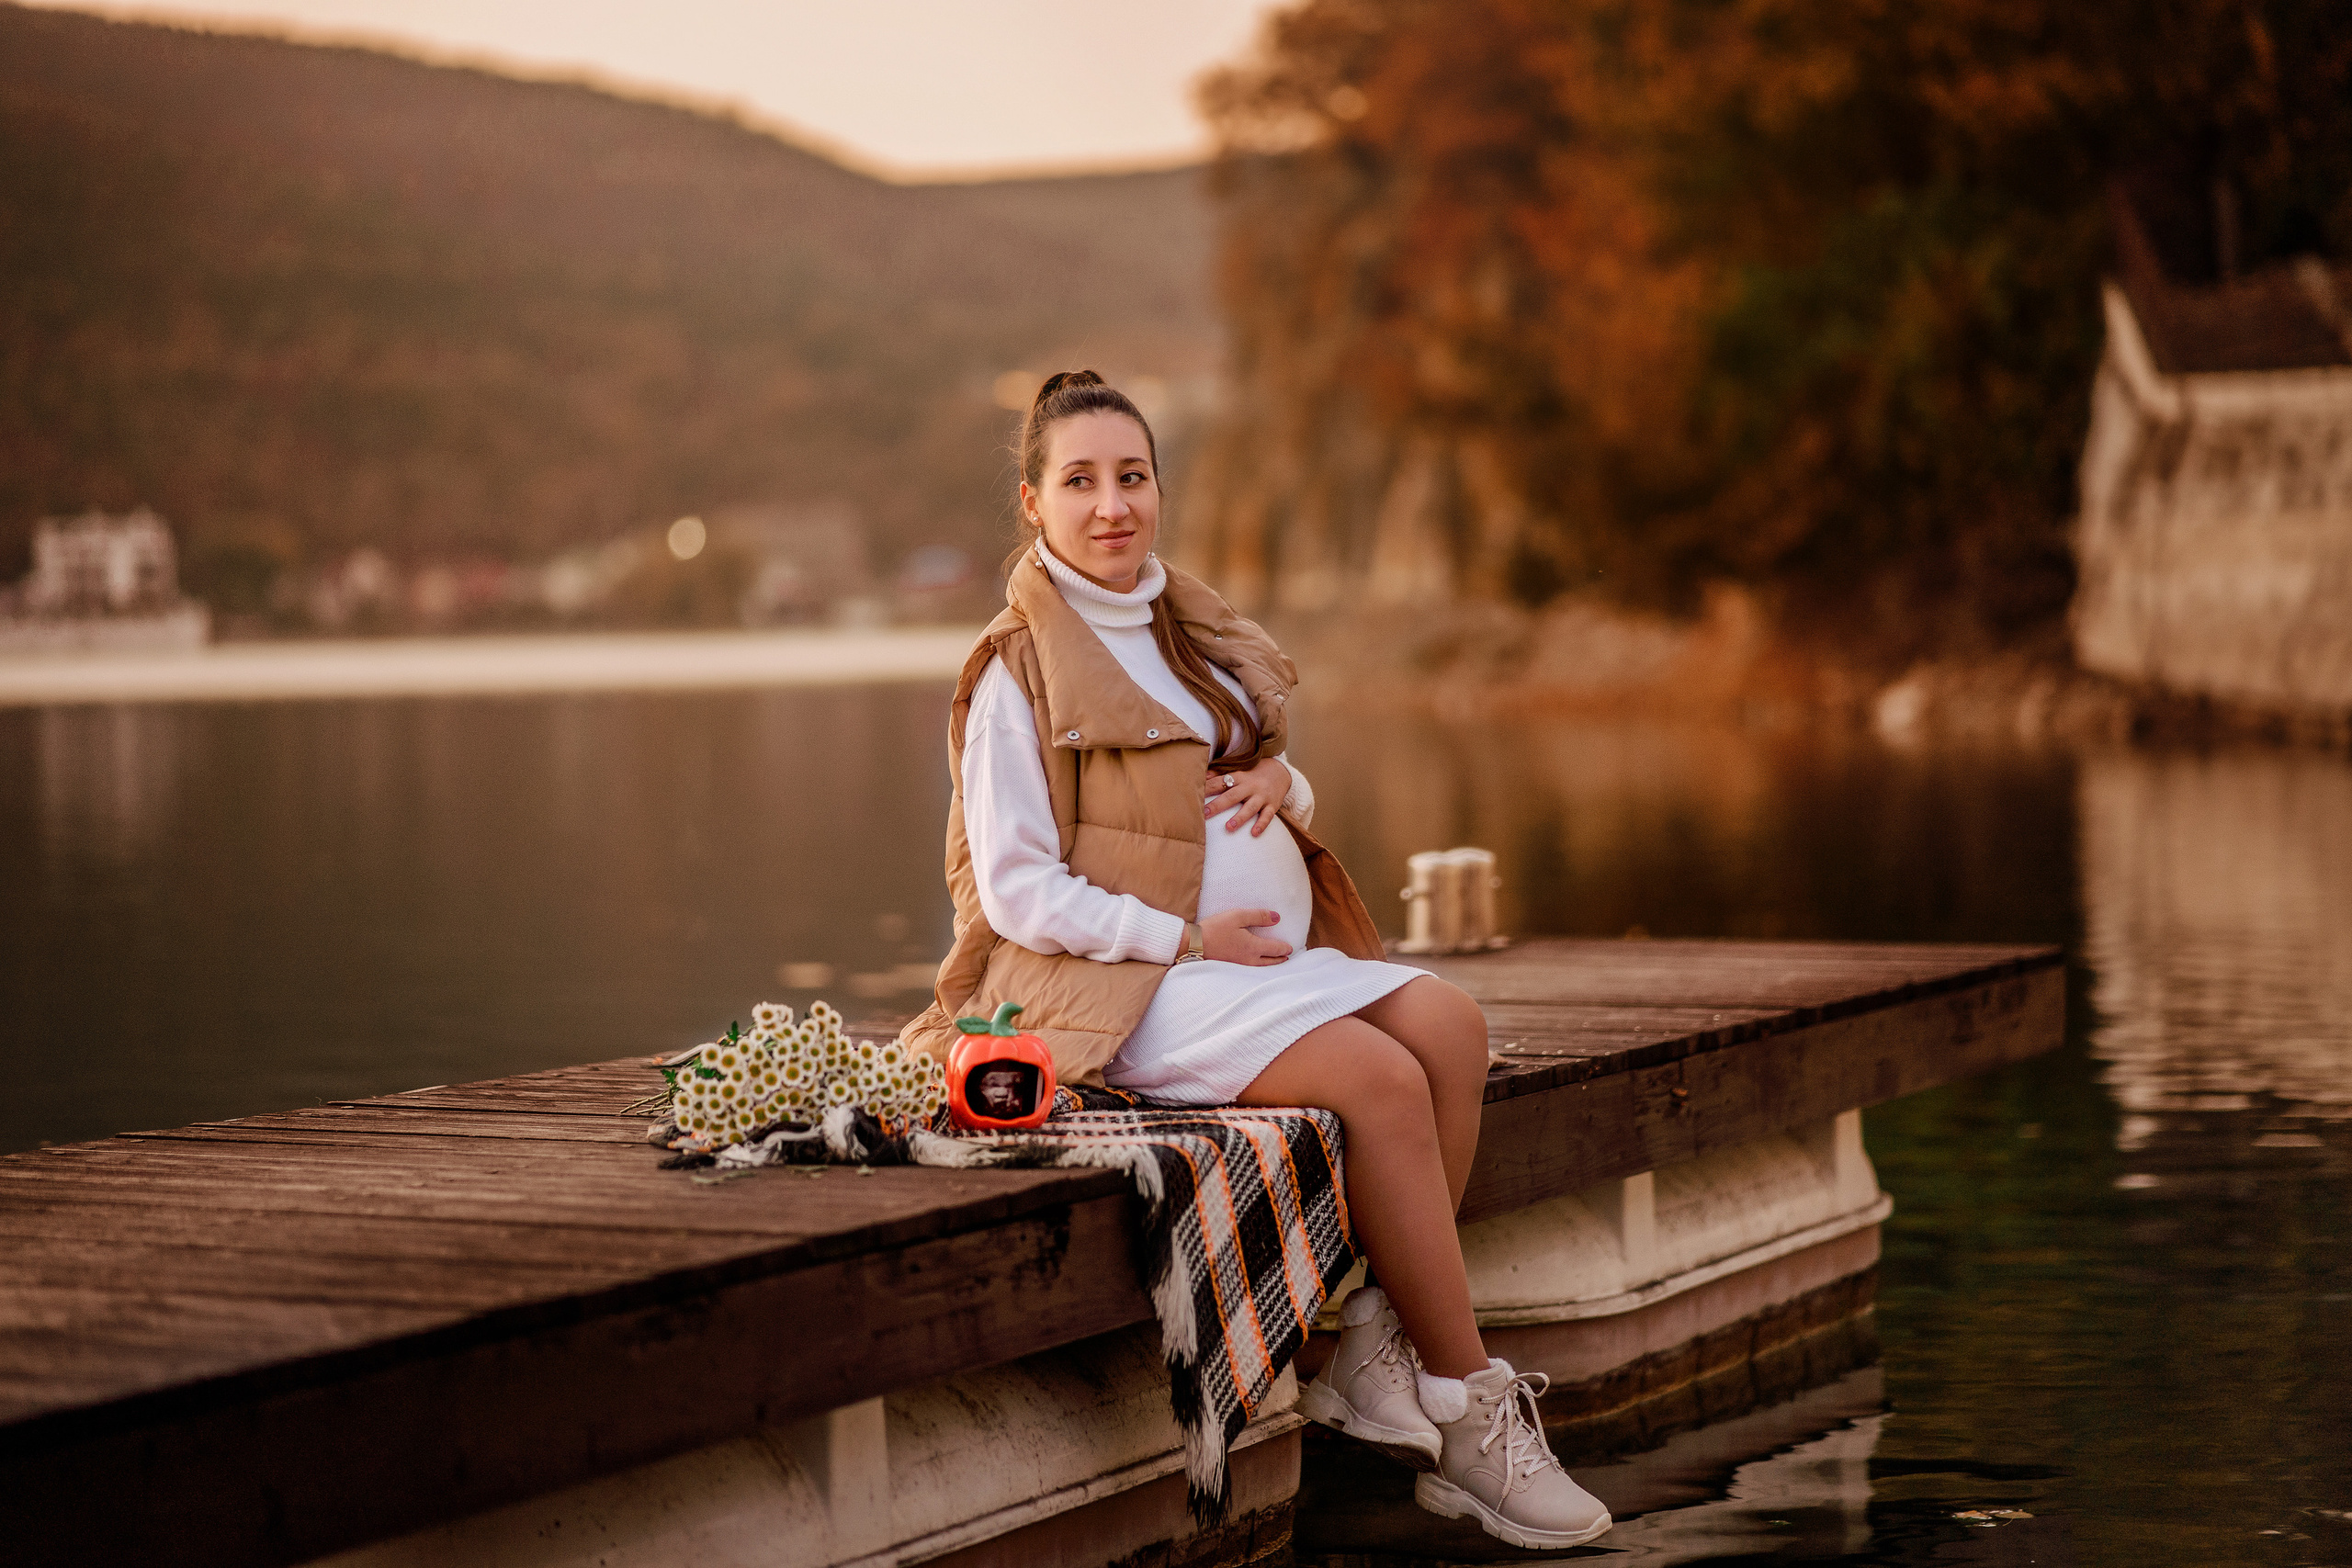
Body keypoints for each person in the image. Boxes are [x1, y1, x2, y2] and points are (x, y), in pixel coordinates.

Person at [904, 370, 1610, 1551]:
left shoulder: (1187, 629)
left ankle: (1379, 1344)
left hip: (1247, 971)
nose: (1111, 504)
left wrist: (1292, 783)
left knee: (1448, 1026)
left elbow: (1257, 781)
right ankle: (1466, 1408)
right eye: (1079, 481)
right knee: (1380, 1082)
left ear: (1157, 489)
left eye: (1131, 476)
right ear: (1033, 503)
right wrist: (1181, 938)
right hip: (1131, 985)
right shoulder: (1012, 670)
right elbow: (1018, 887)